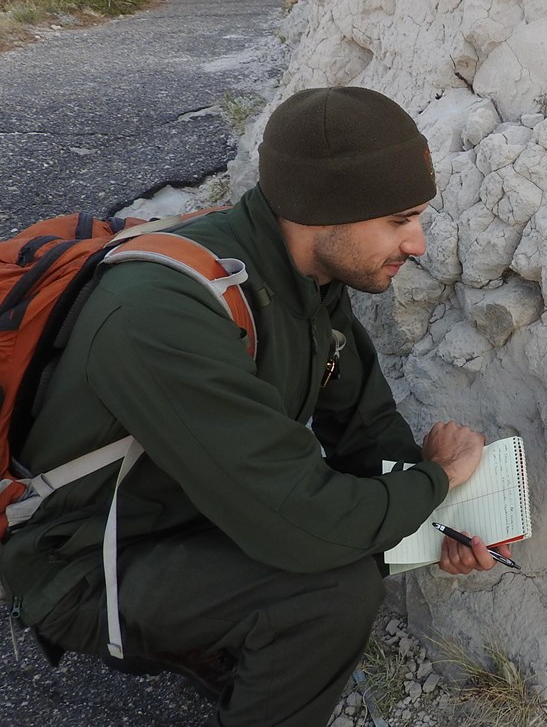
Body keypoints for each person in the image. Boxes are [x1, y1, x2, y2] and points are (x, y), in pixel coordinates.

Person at [0, 86, 511, 726]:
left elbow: (364, 427)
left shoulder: (306, 278)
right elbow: (303, 528)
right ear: (324, 211)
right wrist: (433, 484)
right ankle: (210, 639)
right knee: (330, 588)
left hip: (189, 507)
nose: (418, 244)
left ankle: (222, 637)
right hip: (81, 560)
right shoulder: (160, 312)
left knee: (345, 541)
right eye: (398, 220)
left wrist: (440, 518)